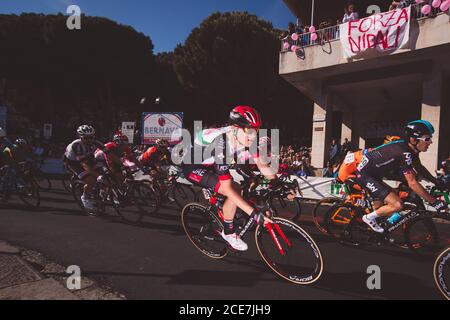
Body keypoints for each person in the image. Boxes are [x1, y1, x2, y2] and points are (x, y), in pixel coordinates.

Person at [181, 106, 280, 251]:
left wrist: (279, 182)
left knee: (237, 189)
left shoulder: (243, 139)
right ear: (235, 128)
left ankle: (221, 206)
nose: (253, 136)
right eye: (249, 131)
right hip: (192, 167)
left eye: (256, 131)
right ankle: (228, 232)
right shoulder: (221, 144)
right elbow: (227, 188)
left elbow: (262, 165)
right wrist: (254, 214)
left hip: (210, 163)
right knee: (232, 190)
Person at [357, 120, 448, 233]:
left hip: (375, 173)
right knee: (397, 204)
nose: (431, 142)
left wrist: (436, 182)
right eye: (427, 139)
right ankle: (367, 218)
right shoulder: (405, 153)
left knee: (382, 208)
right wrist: (434, 202)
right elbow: (413, 183)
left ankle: (374, 230)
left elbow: (419, 168)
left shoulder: (410, 149)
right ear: (414, 140)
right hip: (366, 174)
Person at [64, 125, 103, 210]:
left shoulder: (95, 142)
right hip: (73, 163)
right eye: (86, 138)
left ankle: (98, 191)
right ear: (80, 137)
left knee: (104, 172)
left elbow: (107, 151)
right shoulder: (76, 145)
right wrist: (97, 176)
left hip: (87, 159)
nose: (89, 140)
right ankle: (85, 197)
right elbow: (84, 165)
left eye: (91, 137)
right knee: (91, 180)